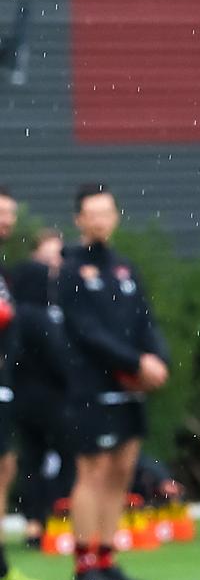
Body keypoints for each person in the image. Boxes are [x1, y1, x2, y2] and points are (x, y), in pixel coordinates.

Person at [61, 183, 169, 580]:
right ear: (80, 220)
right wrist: (133, 361)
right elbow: (86, 331)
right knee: (93, 471)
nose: (101, 220)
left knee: (122, 470)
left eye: (108, 212)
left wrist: (156, 360)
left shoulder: (125, 268)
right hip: (91, 387)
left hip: (131, 389)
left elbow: (145, 321)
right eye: (93, 213)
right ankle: (84, 561)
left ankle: (107, 555)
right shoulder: (71, 269)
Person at [12, 229, 75, 550]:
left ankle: (34, 523)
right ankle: (56, 515)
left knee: (31, 461)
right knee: (69, 455)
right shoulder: (41, 313)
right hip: (49, 397)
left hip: (21, 397)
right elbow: (59, 356)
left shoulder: (17, 312)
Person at [0, 185, 48, 580]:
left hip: (5, 387)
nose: (8, 220)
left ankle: (1, 570)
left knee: (5, 471)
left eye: (11, 213)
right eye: (2, 212)